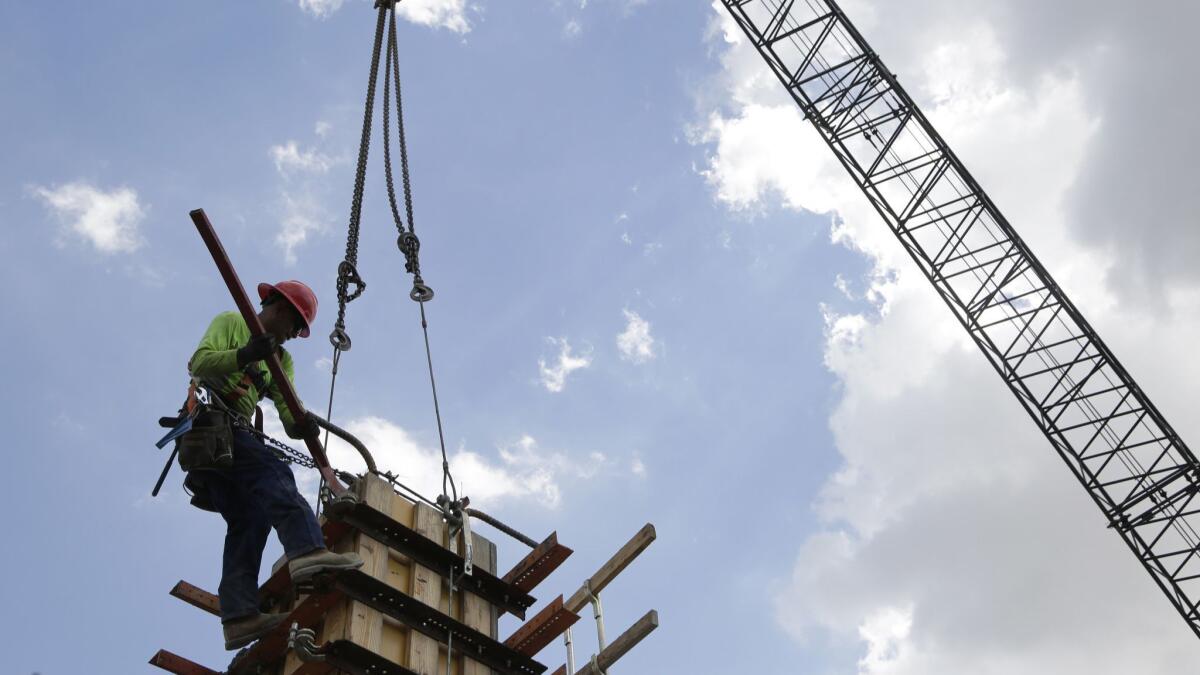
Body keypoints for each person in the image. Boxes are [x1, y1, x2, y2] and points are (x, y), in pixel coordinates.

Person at [186, 280, 363, 650]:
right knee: (276, 474)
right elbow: (200, 363)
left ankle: (238, 616)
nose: (295, 336)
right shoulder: (232, 323)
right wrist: (245, 354)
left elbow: (287, 411)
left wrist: (302, 423)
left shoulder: (282, 360)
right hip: (214, 429)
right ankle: (307, 551)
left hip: (230, 447)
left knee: (250, 518)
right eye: (296, 327)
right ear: (281, 309)